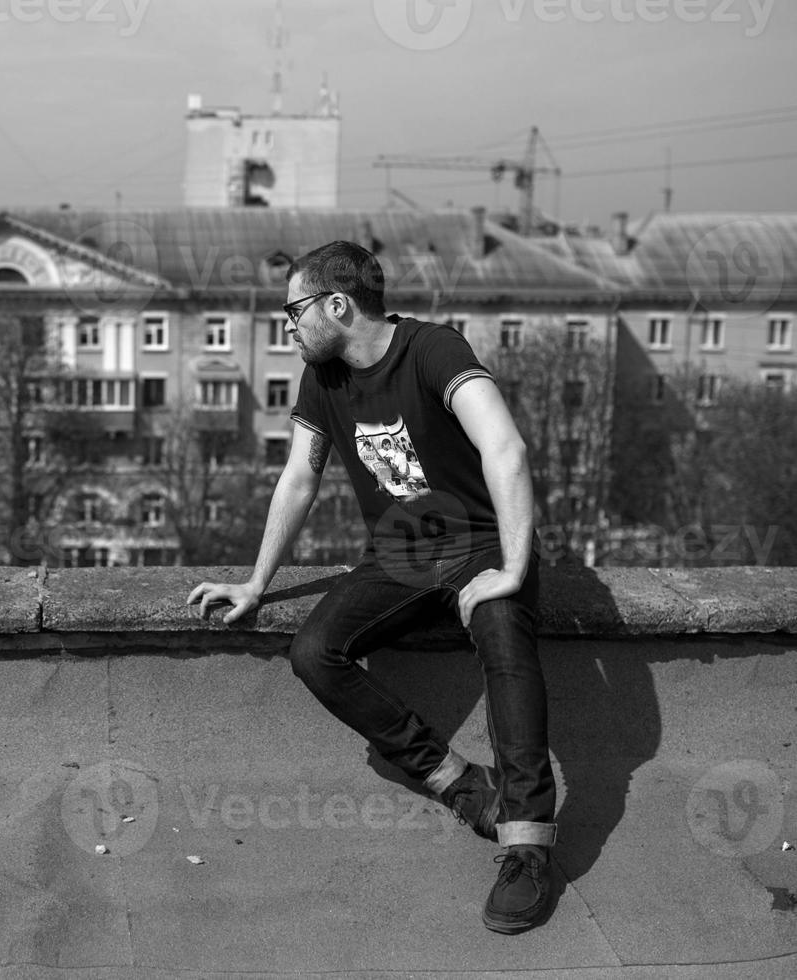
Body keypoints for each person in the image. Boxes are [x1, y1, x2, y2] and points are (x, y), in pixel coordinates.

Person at [187, 240, 556, 934]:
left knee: (506, 644)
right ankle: (458, 783)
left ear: (336, 304)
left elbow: (505, 447)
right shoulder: (320, 379)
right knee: (313, 652)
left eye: (292, 311)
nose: (286, 327)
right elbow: (299, 477)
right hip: (400, 556)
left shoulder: (433, 350)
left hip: (480, 542)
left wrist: (510, 568)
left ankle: (528, 844)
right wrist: (254, 583)